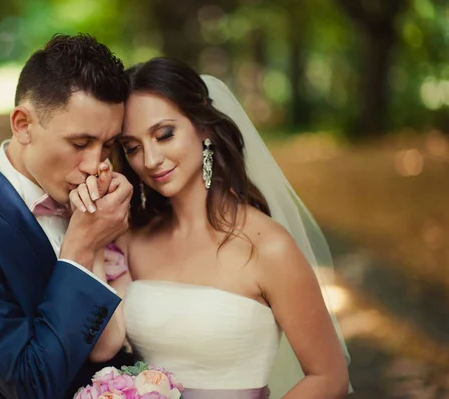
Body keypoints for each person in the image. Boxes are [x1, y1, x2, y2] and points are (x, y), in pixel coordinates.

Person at [70, 57, 351, 398]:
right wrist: (94, 235)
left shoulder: (268, 246)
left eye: (164, 134)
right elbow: (102, 347)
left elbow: (328, 376)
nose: (151, 159)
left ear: (203, 127)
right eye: (133, 147)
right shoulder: (131, 239)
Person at [0, 33, 136, 399]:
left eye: (108, 144)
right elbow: (30, 384)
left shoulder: (113, 202)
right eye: (80, 144)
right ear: (22, 125)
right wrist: (80, 246)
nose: (96, 165)